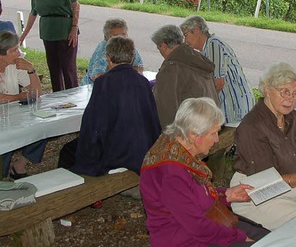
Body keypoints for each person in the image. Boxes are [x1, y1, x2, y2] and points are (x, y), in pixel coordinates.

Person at [140, 97, 268, 247]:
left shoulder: (177, 145)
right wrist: (239, 237)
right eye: (213, 133)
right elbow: (197, 227)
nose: (216, 139)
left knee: (269, 240)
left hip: (201, 229)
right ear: (193, 134)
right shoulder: (171, 172)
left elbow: (191, 196)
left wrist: (226, 195)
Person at [230, 63, 296, 230]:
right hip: (257, 196)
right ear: (266, 89)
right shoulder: (251, 126)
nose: (291, 99)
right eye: (284, 92)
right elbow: (267, 181)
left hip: (293, 187)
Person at [58, 36, 161, 176]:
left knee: (67, 151)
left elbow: (94, 125)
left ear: (108, 58)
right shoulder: (142, 82)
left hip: (119, 152)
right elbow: (152, 119)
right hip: (144, 147)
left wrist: (88, 152)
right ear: (132, 57)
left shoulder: (104, 83)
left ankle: (74, 190)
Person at [180, 15, 254, 123]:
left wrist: (201, 107)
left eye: (186, 35)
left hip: (234, 105)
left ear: (196, 30)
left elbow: (218, 83)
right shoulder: (207, 48)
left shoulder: (213, 45)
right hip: (231, 105)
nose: (185, 41)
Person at [18, 0, 79, 91]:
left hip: (65, 30)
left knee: (67, 67)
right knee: (53, 68)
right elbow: (33, 13)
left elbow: (75, 5)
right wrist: (23, 36)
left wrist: (74, 27)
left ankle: (74, 97)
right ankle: (58, 98)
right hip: (48, 32)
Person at [151, 24, 220, 128]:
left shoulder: (171, 68)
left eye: (158, 48)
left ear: (164, 46)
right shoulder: (196, 58)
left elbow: (166, 110)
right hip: (208, 125)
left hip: (189, 130)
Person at [0, 30, 44, 179]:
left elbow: (37, 93)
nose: (18, 53)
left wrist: (31, 70)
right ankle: (3, 175)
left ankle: (18, 167)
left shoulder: (15, 64)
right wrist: (19, 96)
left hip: (12, 113)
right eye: (13, 50)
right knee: (5, 138)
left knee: (42, 127)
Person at [81, 18, 144, 85]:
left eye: (123, 35)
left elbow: (139, 67)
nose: (120, 39)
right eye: (115, 36)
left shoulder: (128, 47)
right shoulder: (103, 51)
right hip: (94, 88)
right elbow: (97, 76)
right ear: (106, 37)